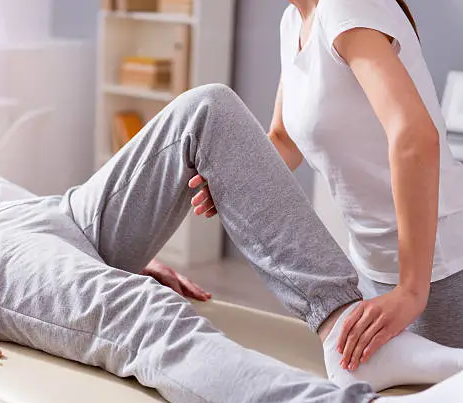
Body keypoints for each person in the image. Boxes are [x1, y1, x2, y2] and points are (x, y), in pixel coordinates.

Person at [0, 84, 463, 403]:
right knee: (146, 316)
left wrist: (96, 253)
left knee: (207, 110)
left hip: (54, 213)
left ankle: (341, 328)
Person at [193, 0, 463, 374]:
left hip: (438, 267)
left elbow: (415, 135)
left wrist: (412, 291)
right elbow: (284, 139)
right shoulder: (294, 22)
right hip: (373, 264)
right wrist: (232, 179)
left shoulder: (344, 6)